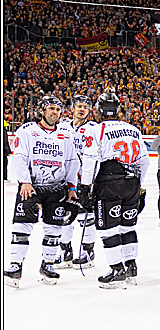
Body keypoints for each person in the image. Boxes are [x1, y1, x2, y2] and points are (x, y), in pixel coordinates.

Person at [3, 96, 80, 288]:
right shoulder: (27, 131)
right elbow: (20, 157)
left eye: (57, 109)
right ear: (42, 111)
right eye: (51, 108)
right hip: (32, 186)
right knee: (22, 226)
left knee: (54, 228)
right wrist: (25, 182)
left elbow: (72, 162)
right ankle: (15, 265)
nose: (55, 112)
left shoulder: (65, 134)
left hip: (57, 188)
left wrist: (72, 187)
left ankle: (48, 264)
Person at [81, 92, 149, 289]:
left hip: (110, 182)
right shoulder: (133, 129)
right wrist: (140, 186)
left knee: (107, 227)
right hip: (133, 181)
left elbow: (90, 161)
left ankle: (116, 270)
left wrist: (85, 187)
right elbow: (144, 161)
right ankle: (131, 266)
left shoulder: (96, 130)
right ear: (118, 109)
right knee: (128, 226)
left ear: (98, 110)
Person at [55, 94, 99, 269]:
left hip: (85, 180)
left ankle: (87, 253)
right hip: (64, 179)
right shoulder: (62, 127)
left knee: (85, 217)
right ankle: (65, 251)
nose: (82, 109)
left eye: (85, 107)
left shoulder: (94, 128)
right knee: (64, 215)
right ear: (72, 108)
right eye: (79, 106)